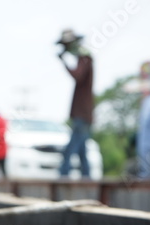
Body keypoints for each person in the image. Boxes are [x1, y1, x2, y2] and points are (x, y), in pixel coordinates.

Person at [56, 29, 94, 178]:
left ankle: (63, 174)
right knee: (81, 149)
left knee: (72, 146)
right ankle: (87, 177)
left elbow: (77, 76)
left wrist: (63, 61)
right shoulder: (83, 57)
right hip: (81, 112)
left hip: (82, 112)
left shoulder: (84, 57)